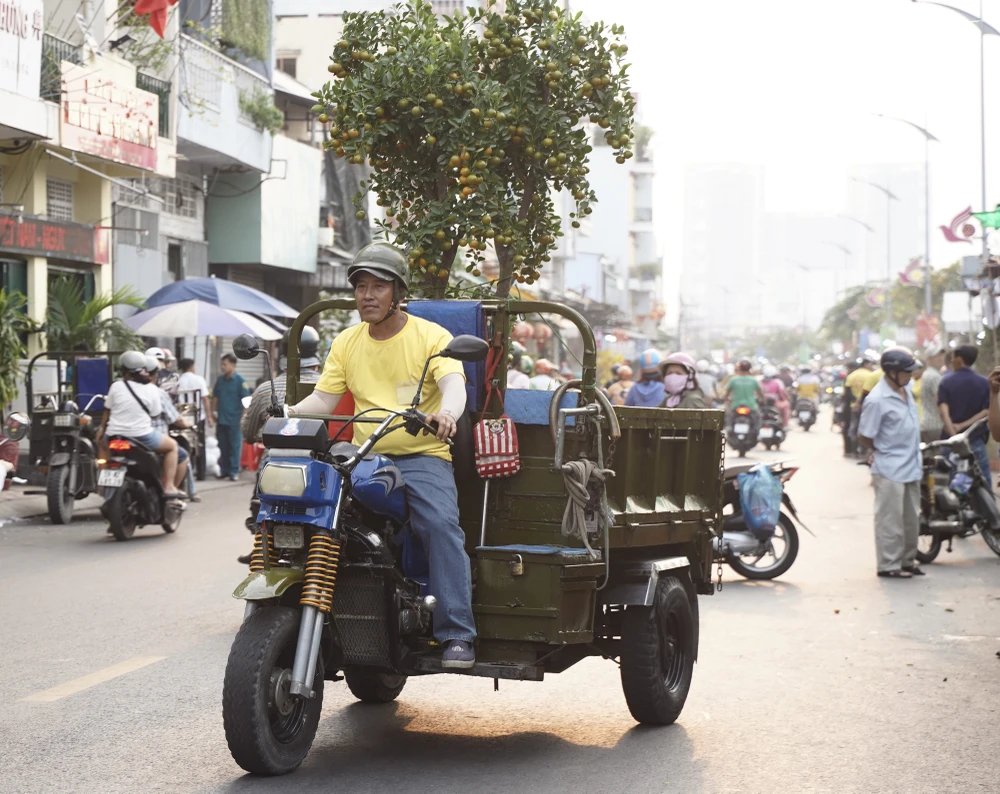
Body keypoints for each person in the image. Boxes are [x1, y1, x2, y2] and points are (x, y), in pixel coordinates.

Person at [288, 241, 476, 669]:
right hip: (361, 455)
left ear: (398, 294)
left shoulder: (432, 337)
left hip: (421, 455)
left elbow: (453, 385)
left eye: (378, 286)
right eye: (360, 287)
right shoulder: (347, 341)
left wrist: (446, 414)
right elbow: (323, 398)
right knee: (308, 511)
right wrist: (288, 411)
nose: (367, 296)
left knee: (441, 527)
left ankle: (457, 633)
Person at [857, 348, 923, 578]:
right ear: (892, 372)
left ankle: (907, 561)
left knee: (911, 519)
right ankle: (889, 565)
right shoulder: (877, 400)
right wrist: (879, 451)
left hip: (912, 464)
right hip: (889, 467)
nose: (910, 376)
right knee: (890, 520)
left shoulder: (908, 391)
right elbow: (864, 434)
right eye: (906, 372)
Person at [97, 350, 185, 497]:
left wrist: (101, 429)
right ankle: (169, 486)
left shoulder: (116, 386)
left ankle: (101, 482)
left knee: (102, 445)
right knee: (172, 447)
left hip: (114, 435)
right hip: (142, 436)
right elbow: (155, 414)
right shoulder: (152, 389)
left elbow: (107, 410)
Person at [242, 327, 323, 446]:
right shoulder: (333, 389)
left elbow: (248, 434)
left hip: (274, 459)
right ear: (316, 362)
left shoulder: (264, 389)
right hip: (324, 460)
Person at [938, 344, 991, 493]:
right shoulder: (984, 382)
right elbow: (986, 411)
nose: (951, 361)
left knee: (951, 482)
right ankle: (989, 514)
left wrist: (954, 433)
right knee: (983, 481)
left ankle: (955, 514)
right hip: (975, 439)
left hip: (950, 442)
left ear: (959, 360)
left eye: (953, 357)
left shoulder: (946, 381)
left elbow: (943, 411)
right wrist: (964, 427)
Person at [146, 355, 197, 501]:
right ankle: (169, 489)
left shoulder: (119, 387)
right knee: (178, 452)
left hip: (120, 435)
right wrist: (187, 424)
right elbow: (175, 418)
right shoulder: (158, 392)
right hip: (148, 437)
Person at [212, 353, 250, 482]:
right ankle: (225, 470)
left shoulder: (240, 381)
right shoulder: (220, 380)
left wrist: (243, 417)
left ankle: (234, 471)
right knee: (223, 446)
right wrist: (213, 412)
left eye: (225, 364)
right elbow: (216, 397)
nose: (222, 367)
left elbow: (246, 401)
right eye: (222, 364)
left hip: (235, 419)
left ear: (233, 365)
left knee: (235, 447)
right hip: (221, 418)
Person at [724, 359, 764, 427]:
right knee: (758, 418)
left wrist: (725, 399)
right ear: (749, 368)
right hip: (751, 406)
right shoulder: (753, 380)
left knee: (729, 419)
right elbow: (761, 393)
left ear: (739, 368)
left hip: (735, 406)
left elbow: (726, 394)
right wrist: (762, 400)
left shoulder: (733, 380)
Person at [919, 346, 946, 444]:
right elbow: (940, 401)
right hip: (935, 424)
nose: (941, 358)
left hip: (927, 423)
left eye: (941, 355)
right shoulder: (934, 376)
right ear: (928, 360)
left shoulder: (928, 374)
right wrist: (948, 424)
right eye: (936, 356)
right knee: (937, 456)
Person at [178, 358, 214, 428]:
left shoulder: (178, 381)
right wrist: (209, 417)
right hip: (198, 416)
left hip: (183, 416)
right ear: (191, 367)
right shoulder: (199, 379)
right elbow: (205, 399)